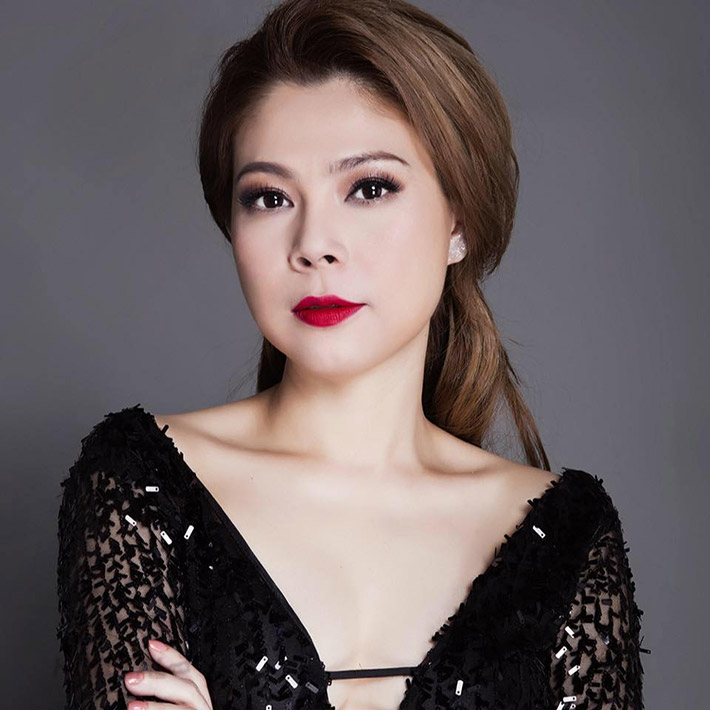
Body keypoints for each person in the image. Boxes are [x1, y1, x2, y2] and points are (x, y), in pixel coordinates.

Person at [56, 0, 649, 708]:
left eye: (369, 188)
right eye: (269, 198)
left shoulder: (567, 539)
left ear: (459, 220)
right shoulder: (141, 488)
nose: (313, 244)